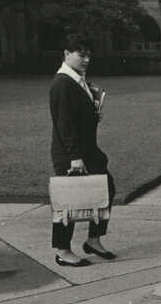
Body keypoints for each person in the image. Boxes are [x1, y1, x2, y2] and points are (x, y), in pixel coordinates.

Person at [49, 33, 117, 267]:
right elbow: (64, 124)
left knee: (106, 190)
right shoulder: (62, 83)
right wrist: (75, 158)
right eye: (81, 54)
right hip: (72, 154)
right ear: (67, 54)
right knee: (68, 203)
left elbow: (76, 117)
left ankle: (93, 240)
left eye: (89, 55)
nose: (86, 59)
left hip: (88, 150)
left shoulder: (78, 79)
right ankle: (63, 251)